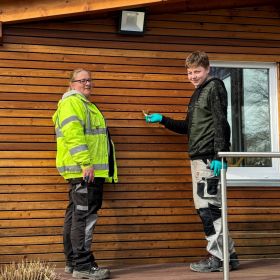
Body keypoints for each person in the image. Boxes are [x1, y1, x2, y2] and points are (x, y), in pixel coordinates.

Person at [145, 51, 239, 273]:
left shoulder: (214, 87)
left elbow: (221, 122)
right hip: (199, 158)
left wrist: (220, 154)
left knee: (209, 209)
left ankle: (218, 258)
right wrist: (163, 120)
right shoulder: (198, 93)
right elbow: (188, 127)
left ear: (208, 69)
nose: (193, 76)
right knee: (207, 207)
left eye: (197, 71)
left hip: (208, 159)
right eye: (189, 72)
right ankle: (229, 256)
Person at [52, 69, 117, 280]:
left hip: (85, 172)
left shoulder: (84, 104)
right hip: (85, 172)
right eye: (82, 80)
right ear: (71, 83)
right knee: (85, 217)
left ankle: (73, 262)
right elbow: (73, 135)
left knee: (75, 216)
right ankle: (83, 266)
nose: (87, 83)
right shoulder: (73, 102)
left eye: (89, 80)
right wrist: (86, 163)